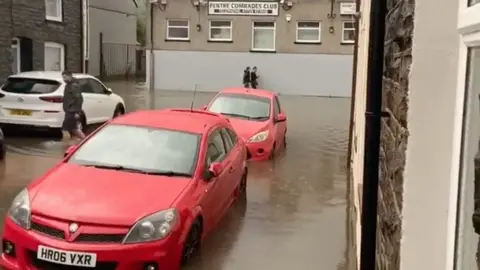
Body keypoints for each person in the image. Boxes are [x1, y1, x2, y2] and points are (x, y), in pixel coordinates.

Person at [61, 70, 85, 143]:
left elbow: (79, 99)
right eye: (63, 77)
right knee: (74, 129)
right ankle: (85, 141)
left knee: (65, 129)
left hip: (72, 111)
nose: (64, 79)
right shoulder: (68, 85)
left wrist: (78, 112)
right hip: (70, 110)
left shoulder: (74, 85)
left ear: (70, 76)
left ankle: (65, 146)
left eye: (65, 77)